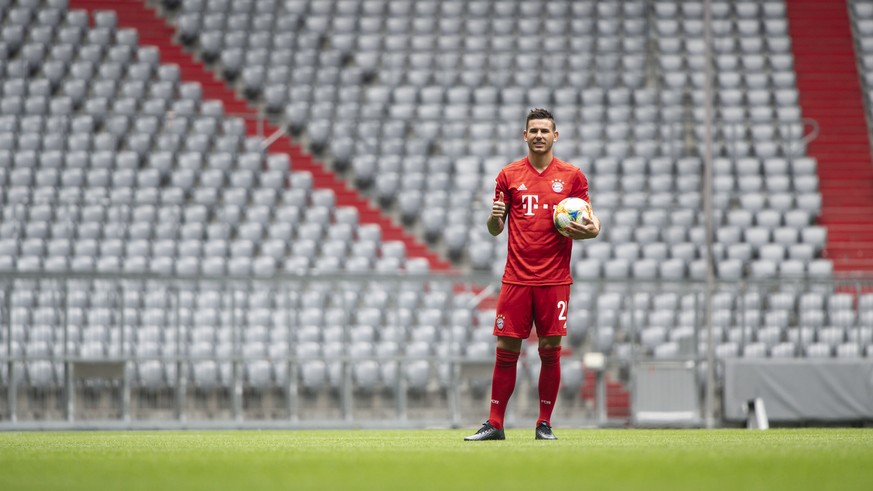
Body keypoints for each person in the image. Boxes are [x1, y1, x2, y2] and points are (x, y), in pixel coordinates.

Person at [465, 108, 601, 441]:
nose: (539, 135)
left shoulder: (572, 177)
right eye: (533, 131)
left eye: (545, 130)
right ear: (524, 136)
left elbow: (591, 224)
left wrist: (590, 229)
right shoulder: (508, 176)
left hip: (554, 279)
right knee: (506, 349)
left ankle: (544, 424)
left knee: (550, 349)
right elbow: (495, 230)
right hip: (516, 278)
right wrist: (494, 217)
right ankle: (495, 423)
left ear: (556, 136)